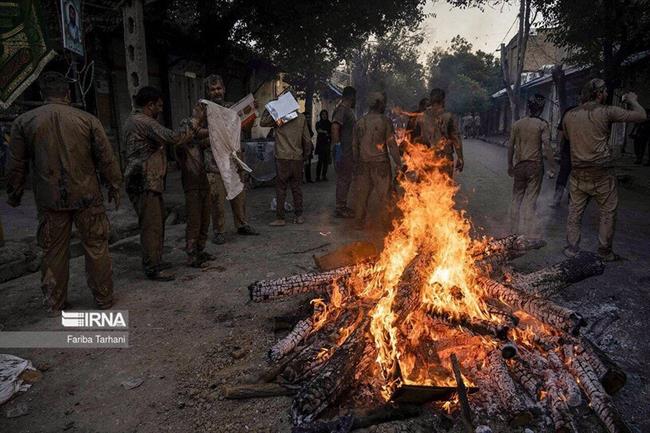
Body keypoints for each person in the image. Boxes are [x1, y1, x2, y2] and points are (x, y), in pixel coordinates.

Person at [6, 71, 122, 312]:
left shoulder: (25, 122)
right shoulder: (87, 120)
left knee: (53, 251)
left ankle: (54, 303)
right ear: (67, 93)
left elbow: (15, 164)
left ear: (42, 94)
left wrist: (14, 193)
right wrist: (115, 185)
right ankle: (103, 299)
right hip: (87, 196)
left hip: (51, 200)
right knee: (97, 247)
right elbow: (106, 158)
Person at [123, 86, 204, 281]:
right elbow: (174, 138)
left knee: (156, 224)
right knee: (151, 227)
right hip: (144, 182)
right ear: (150, 105)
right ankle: (153, 267)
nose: (160, 109)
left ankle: (155, 260)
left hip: (149, 181)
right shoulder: (143, 122)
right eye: (158, 106)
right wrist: (195, 120)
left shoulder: (135, 120)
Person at [562, 78, 647, 261]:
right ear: (599, 94)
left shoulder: (569, 115)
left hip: (578, 173)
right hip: (602, 173)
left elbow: (568, 138)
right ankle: (604, 252)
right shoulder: (607, 111)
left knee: (574, 212)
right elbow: (641, 116)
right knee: (607, 211)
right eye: (605, 92)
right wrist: (632, 100)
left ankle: (572, 248)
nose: (607, 95)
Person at [202, 74, 258, 244]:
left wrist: (252, 112)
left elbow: (244, 128)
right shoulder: (203, 110)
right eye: (212, 89)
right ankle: (219, 231)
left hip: (234, 160)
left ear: (224, 89)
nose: (216, 92)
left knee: (239, 193)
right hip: (214, 161)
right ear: (208, 92)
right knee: (217, 197)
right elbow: (197, 133)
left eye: (219, 88)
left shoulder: (231, 108)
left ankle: (242, 224)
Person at [352, 92, 401, 230]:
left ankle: (358, 223)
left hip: (363, 163)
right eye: (383, 102)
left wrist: (357, 164)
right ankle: (386, 226)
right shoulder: (385, 121)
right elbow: (391, 145)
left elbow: (354, 146)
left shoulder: (359, 122)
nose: (385, 105)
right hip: (381, 166)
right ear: (380, 104)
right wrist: (399, 163)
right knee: (385, 196)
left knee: (362, 196)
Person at [260, 99, 312, 226]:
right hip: (297, 158)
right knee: (296, 188)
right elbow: (307, 140)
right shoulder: (301, 118)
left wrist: (269, 107)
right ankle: (299, 216)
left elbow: (262, 122)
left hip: (282, 158)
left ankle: (280, 218)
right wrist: (305, 156)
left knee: (281, 188)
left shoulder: (279, 118)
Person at [507, 94, 551, 237]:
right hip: (534, 166)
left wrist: (509, 165)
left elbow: (510, 147)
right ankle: (526, 233)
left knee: (516, 198)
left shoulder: (517, 124)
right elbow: (547, 146)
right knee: (530, 200)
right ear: (541, 108)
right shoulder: (542, 125)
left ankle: (513, 231)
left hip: (519, 165)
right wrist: (552, 167)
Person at [177, 115, 215, 268]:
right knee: (194, 221)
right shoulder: (181, 147)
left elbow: (210, 140)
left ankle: (200, 250)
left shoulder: (198, 146)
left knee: (205, 219)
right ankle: (192, 254)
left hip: (202, 184)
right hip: (192, 186)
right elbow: (183, 140)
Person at [415, 88, 464, 178]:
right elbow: (456, 138)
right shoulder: (448, 116)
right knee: (445, 189)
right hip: (444, 158)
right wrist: (460, 158)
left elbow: (417, 139)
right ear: (443, 100)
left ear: (430, 100)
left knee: (426, 189)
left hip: (427, 157)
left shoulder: (421, 117)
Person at [332, 86, 357, 218]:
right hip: (343, 151)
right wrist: (337, 148)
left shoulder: (347, 110)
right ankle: (340, 208)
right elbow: (335, 127)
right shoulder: (342, 110)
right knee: (343, 179)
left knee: (346, 179)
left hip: (347, 151)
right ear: (351, 96)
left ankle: (342, 205)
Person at [550, 105, 577, 208]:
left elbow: (561, 131)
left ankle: (569, 199)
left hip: (574, 150)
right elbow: (561, 130)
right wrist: (558, 147)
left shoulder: (569, 110)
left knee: (569, 174)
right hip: (571, 150)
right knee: (566, 174)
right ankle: (558, 198)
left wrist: (558, 147)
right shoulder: (570, 110)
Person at [315, 109, 332, 181]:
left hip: (327, 144)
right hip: (321, 144)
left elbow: (331, 133)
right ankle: (318, 176)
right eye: (323, 114)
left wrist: (325, 133)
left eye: (325, 114)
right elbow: (318, 130)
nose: (324, 116)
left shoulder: (329, 124)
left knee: (326, 161)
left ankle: (324, 175)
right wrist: (325, 132)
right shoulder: (318, 123)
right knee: (320, 161)